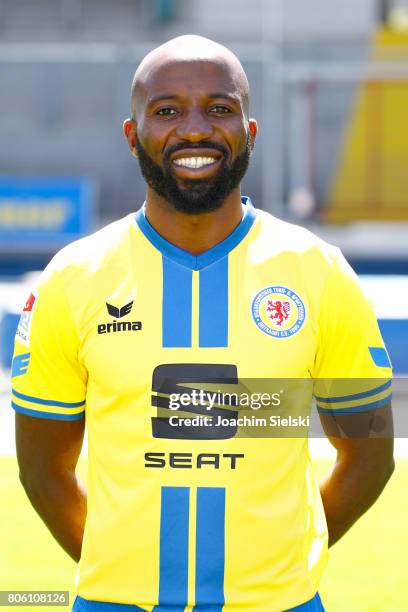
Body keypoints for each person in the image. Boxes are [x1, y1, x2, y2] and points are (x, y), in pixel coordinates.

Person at [11, 35, 394, 612]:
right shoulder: (74, 278)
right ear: (131, 134)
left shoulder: (317, 272)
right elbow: (44, 467)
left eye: (219, 108)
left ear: (251, 131)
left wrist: (282, 573)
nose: (194, 129)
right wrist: (124, 581)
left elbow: (369, 453)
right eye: (167, 111)